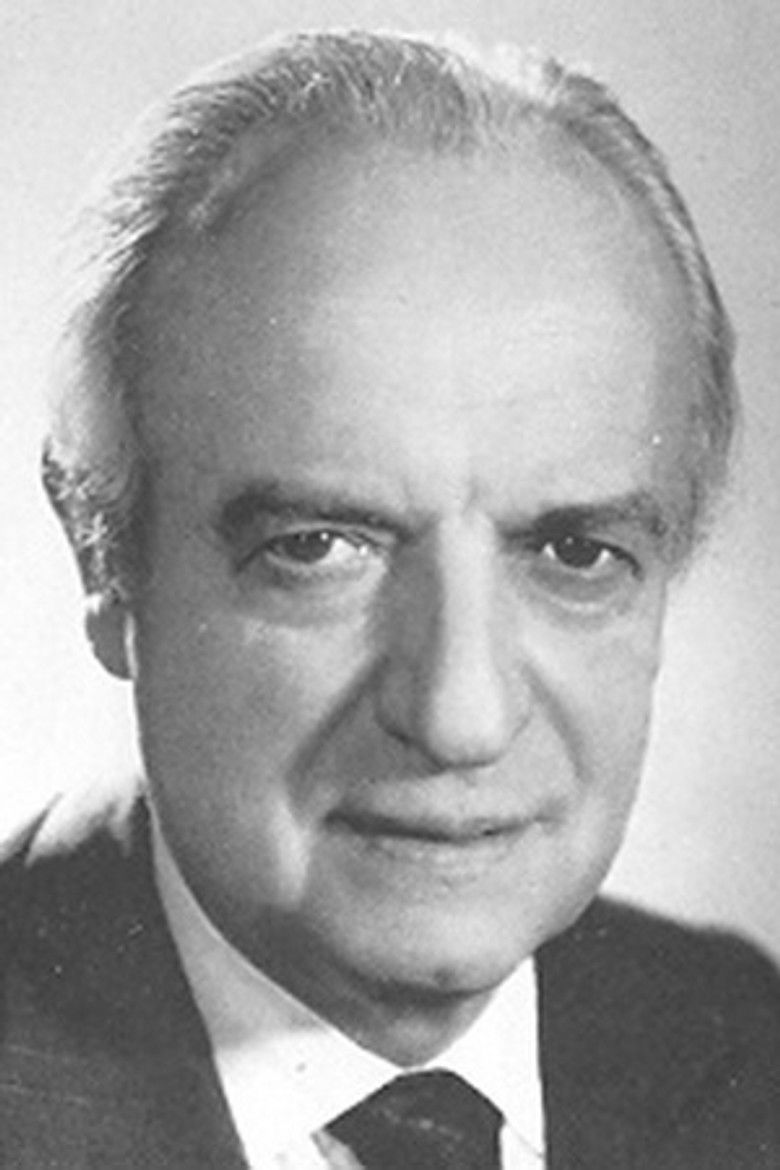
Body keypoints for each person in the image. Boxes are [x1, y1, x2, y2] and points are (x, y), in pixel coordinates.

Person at [1, 28, 778, 1170]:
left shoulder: (743, 1048)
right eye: (319, 547)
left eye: (574, 552)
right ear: (104, 557)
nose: (461, 717)